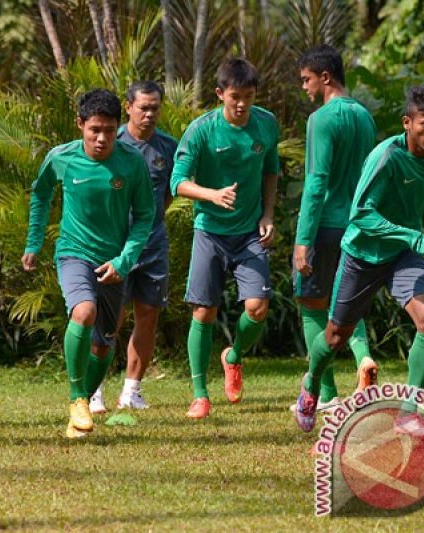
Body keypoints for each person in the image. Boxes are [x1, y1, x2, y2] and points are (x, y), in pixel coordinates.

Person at [294, 85, 424, 433]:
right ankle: (311, 384)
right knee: (335, 338)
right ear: (407, 123)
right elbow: (361, 216)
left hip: (403, 253)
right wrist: (415, 237)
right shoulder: (385, 156)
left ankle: (408, 414)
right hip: (363, 254)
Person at [22, 89, 154, 438]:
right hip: (73, 252)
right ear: (80, 124)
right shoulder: (61, 158)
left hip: (114, 261)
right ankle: (77, 400)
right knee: (83, 312)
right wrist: (34, 243)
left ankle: (80, 406)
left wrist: (124, 261)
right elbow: (40, 193)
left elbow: (144, 216)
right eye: (94, 129)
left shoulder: (131, 162)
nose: (101, 138)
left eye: (110, 130)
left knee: (104, 342)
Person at [171, 58, 279, 420]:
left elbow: (270, 171)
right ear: (219, 94)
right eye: (235, 96)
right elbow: (178, 182)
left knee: (257, 309)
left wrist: (268, 214)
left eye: (248, 96)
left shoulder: (266, 124)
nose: (242, 104)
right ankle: (200, 394)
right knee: (204, 311)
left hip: (249, 231)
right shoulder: (201, 131)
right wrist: (212, 195)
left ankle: (233, 358)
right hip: (210, 231)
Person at [292, 45, 378, 414]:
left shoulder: (321, 119)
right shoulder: (364, 117)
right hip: (357, 225)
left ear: (325, 77)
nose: (305, 88)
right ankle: (363, 358)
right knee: (346, 305)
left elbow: (316, 182)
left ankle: (325, 393)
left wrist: (302, 240)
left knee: (312, 307)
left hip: (325, 225)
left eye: (306, 80)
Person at [88, 81, 177, 413]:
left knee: (148, 315)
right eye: (143, 107)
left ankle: (131, 390)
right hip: (113, 247)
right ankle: (94, 390)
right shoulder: (111, 141)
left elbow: (166, 195)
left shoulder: (168, 147)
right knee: (111, 318)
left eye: (155, 107)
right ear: (128, 107)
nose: (150, 114)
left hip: (153, 246)